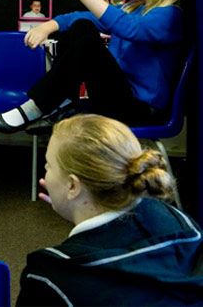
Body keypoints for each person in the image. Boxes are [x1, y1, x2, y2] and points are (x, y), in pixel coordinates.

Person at [0, 0, 191, 134]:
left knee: (89, 47)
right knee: (82, 27)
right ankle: (63, 103)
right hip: (117, 99)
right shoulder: (136, 8)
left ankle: (34, 109)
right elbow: (90, 18)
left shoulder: (170, 17)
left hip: (141, 112)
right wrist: (51, 25)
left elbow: (130, 29)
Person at [16, 114, 203, 306]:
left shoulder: (50, 278)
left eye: (49, 164)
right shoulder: (183, 225)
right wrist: (77, 211)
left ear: (73, 186)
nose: (45, 169)